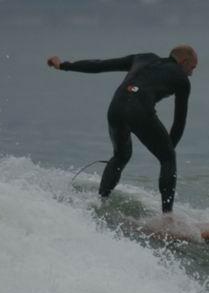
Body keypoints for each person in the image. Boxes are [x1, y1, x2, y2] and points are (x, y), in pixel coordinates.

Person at [46, 45, 198, 213]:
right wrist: (168, 149)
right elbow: (179, 122)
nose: (191, 73)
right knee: (168, 158)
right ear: (184, 61)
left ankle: (100, 203)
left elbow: (100, 65)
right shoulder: (182, 80)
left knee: (120, 156)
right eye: (192, 68)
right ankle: (167, 217)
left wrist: (63, 65)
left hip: (116, 107)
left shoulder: (143, 57)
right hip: (139, 110)